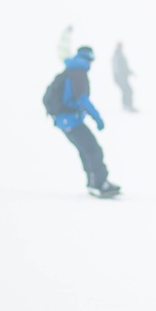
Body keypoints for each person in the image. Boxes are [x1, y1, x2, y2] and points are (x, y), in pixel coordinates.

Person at [53, 45, 120, 198]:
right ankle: (99, 184)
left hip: (65, 120)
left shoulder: (71, 69)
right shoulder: (78, 72)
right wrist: (97, 117)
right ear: (88, 58)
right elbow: (82, 99)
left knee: (87, 150)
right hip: (70, 120)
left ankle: (93, 183)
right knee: (93, 150)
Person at [112, 42, 136, 111]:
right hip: (120, 77)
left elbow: (125, 67)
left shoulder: (119, 54)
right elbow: (117, 68)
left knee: (127, 90)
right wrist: (119, 75)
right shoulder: (117, 55)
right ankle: (127, 105)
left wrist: (130, 72)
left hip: (122, 77)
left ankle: (127, 105)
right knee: (128, 90)